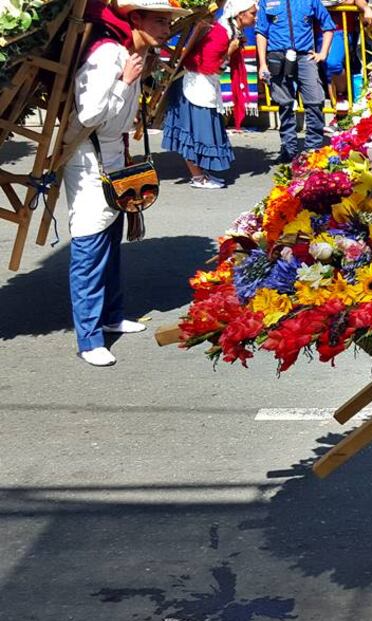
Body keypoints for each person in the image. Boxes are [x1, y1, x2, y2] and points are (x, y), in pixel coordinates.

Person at [61, 0, 189, 367]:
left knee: (111, 238)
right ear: (136, 19)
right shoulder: (107, 56)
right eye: (160, 21)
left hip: (114, 156)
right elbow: (88, 114)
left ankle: (111, 316)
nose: (166, 29)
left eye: (168, 22)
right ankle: (89, 339)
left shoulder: (131, 54)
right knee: (89, 242)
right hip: (89, 159)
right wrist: (125, 82)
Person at [162, 0, 258, 189]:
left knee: (200, 132)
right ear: (240, 14)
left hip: (205, 87)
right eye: (253, 13)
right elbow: (209, 66)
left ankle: (201, 174)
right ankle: (198, 178)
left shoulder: (230, 30)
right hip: (195, 86)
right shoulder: (222, 33)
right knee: (194, 134)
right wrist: (229, 53)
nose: (255, 17)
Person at [255, 0, 336, 162]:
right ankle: (288, 149)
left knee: (315, 100)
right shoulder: (267, 1)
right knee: (284, 103)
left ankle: (313, 149)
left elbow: (328, 26)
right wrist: (263, 64)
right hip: (277, 57)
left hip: (305, 56)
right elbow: (261, 32)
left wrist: (323, 53)